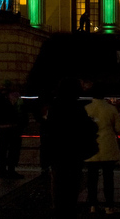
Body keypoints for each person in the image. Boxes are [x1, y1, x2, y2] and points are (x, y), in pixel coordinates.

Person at [41, 78, 98, 215]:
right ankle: (69, 210)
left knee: (59, 186)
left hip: (58, 154)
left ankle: (60, 209)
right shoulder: (77, 108)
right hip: (74, 154)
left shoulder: (54, 107)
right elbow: (87, 129)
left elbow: (48, 131)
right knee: (72, 187)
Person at [84, 84, 120, 214]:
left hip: (92, 146)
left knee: (92, 178)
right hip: (108, 146)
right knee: (108, 178)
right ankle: (109, 206)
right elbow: (119, 129)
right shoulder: (111, 109)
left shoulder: (86, 109)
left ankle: (92, 205)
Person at [0, 81, 27, 179]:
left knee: (2, 149)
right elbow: (20, 110)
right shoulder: (15, 96)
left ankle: (2, 171)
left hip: (2, 128)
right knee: (13, 150)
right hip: (13, 127)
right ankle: (11, 170)